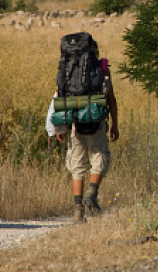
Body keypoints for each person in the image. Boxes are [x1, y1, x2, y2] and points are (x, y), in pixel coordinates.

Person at [55, 57, 119, 222]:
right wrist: (114, 124)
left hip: (75, 123)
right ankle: (92, 192)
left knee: (77, 166)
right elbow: (110, 97)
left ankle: (78, 210)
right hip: (96, 122)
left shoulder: (69, 69)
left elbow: (59, 96)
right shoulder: (102, 69)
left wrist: (59, 127)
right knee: (99, 156)